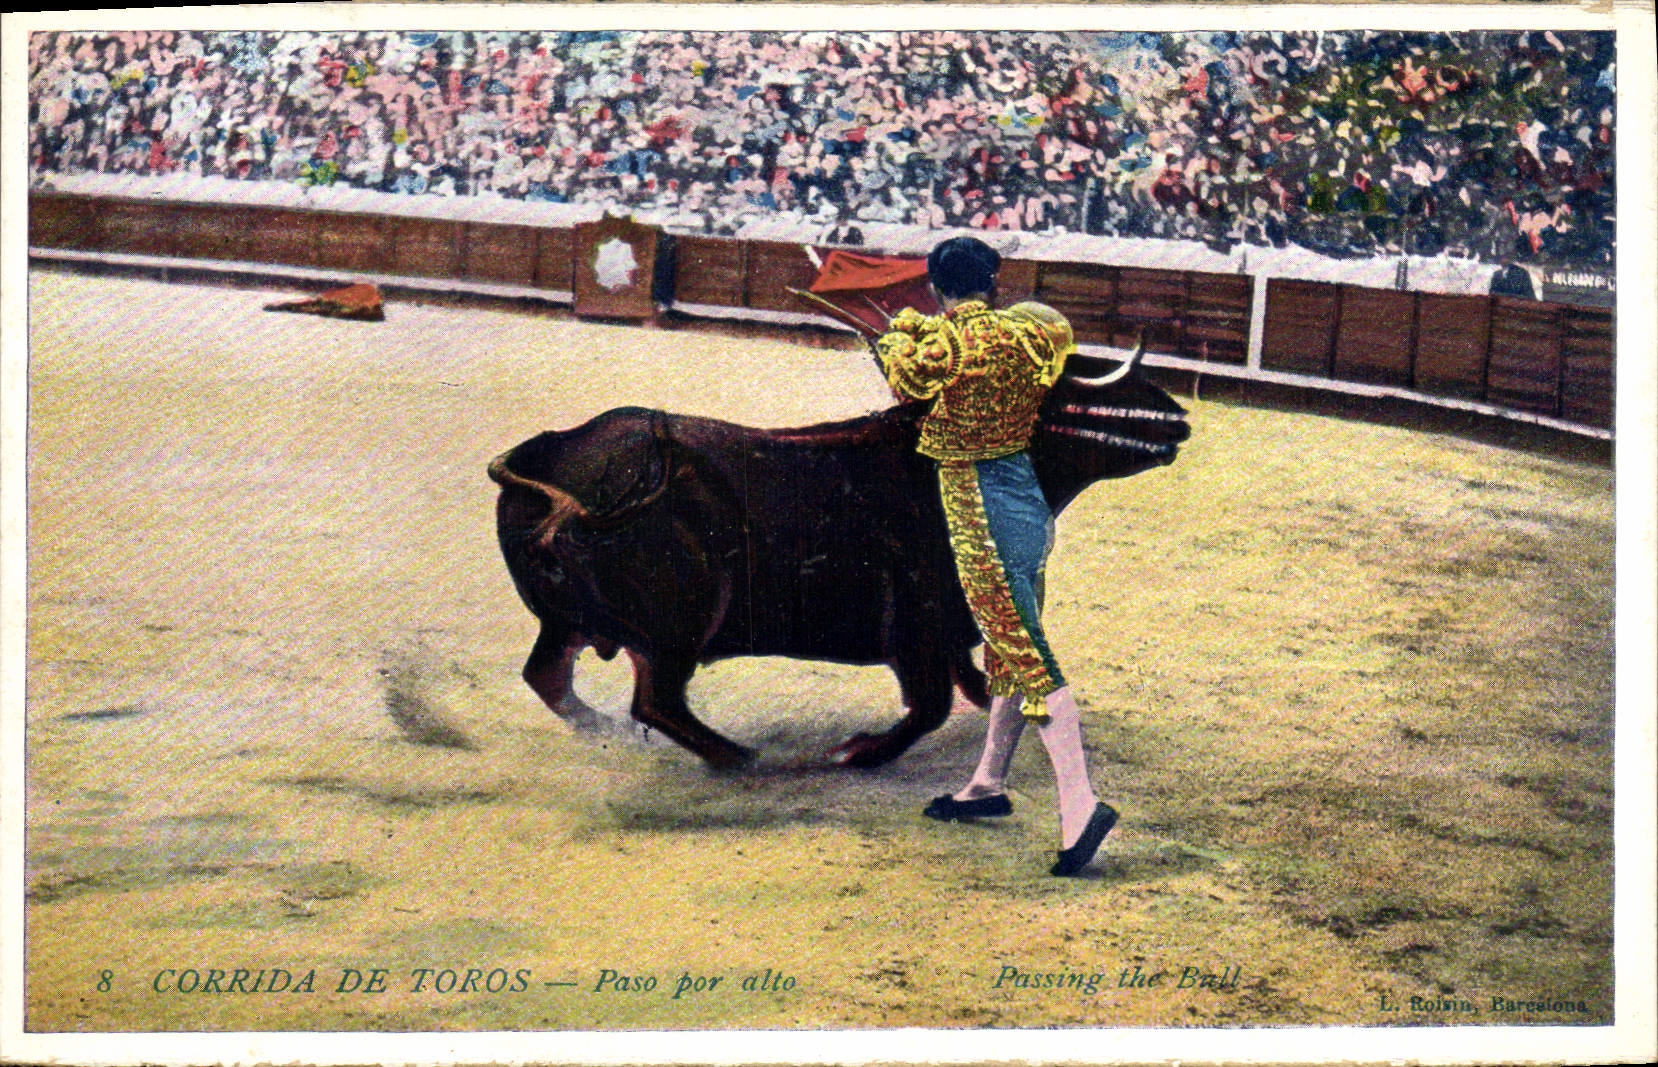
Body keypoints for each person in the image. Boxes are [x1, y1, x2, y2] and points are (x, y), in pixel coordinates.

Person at [873, 236, 1116, 877]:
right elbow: (1050, 341)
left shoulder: (940, 345)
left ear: (934, 287)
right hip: (1028, 504)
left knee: (1025, 652)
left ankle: (1080, 803)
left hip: (980, 511)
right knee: (1005, 646)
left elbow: (907, 383)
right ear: (995, 282)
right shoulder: (1032, 335)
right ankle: (986, 785)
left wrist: (898, 331)